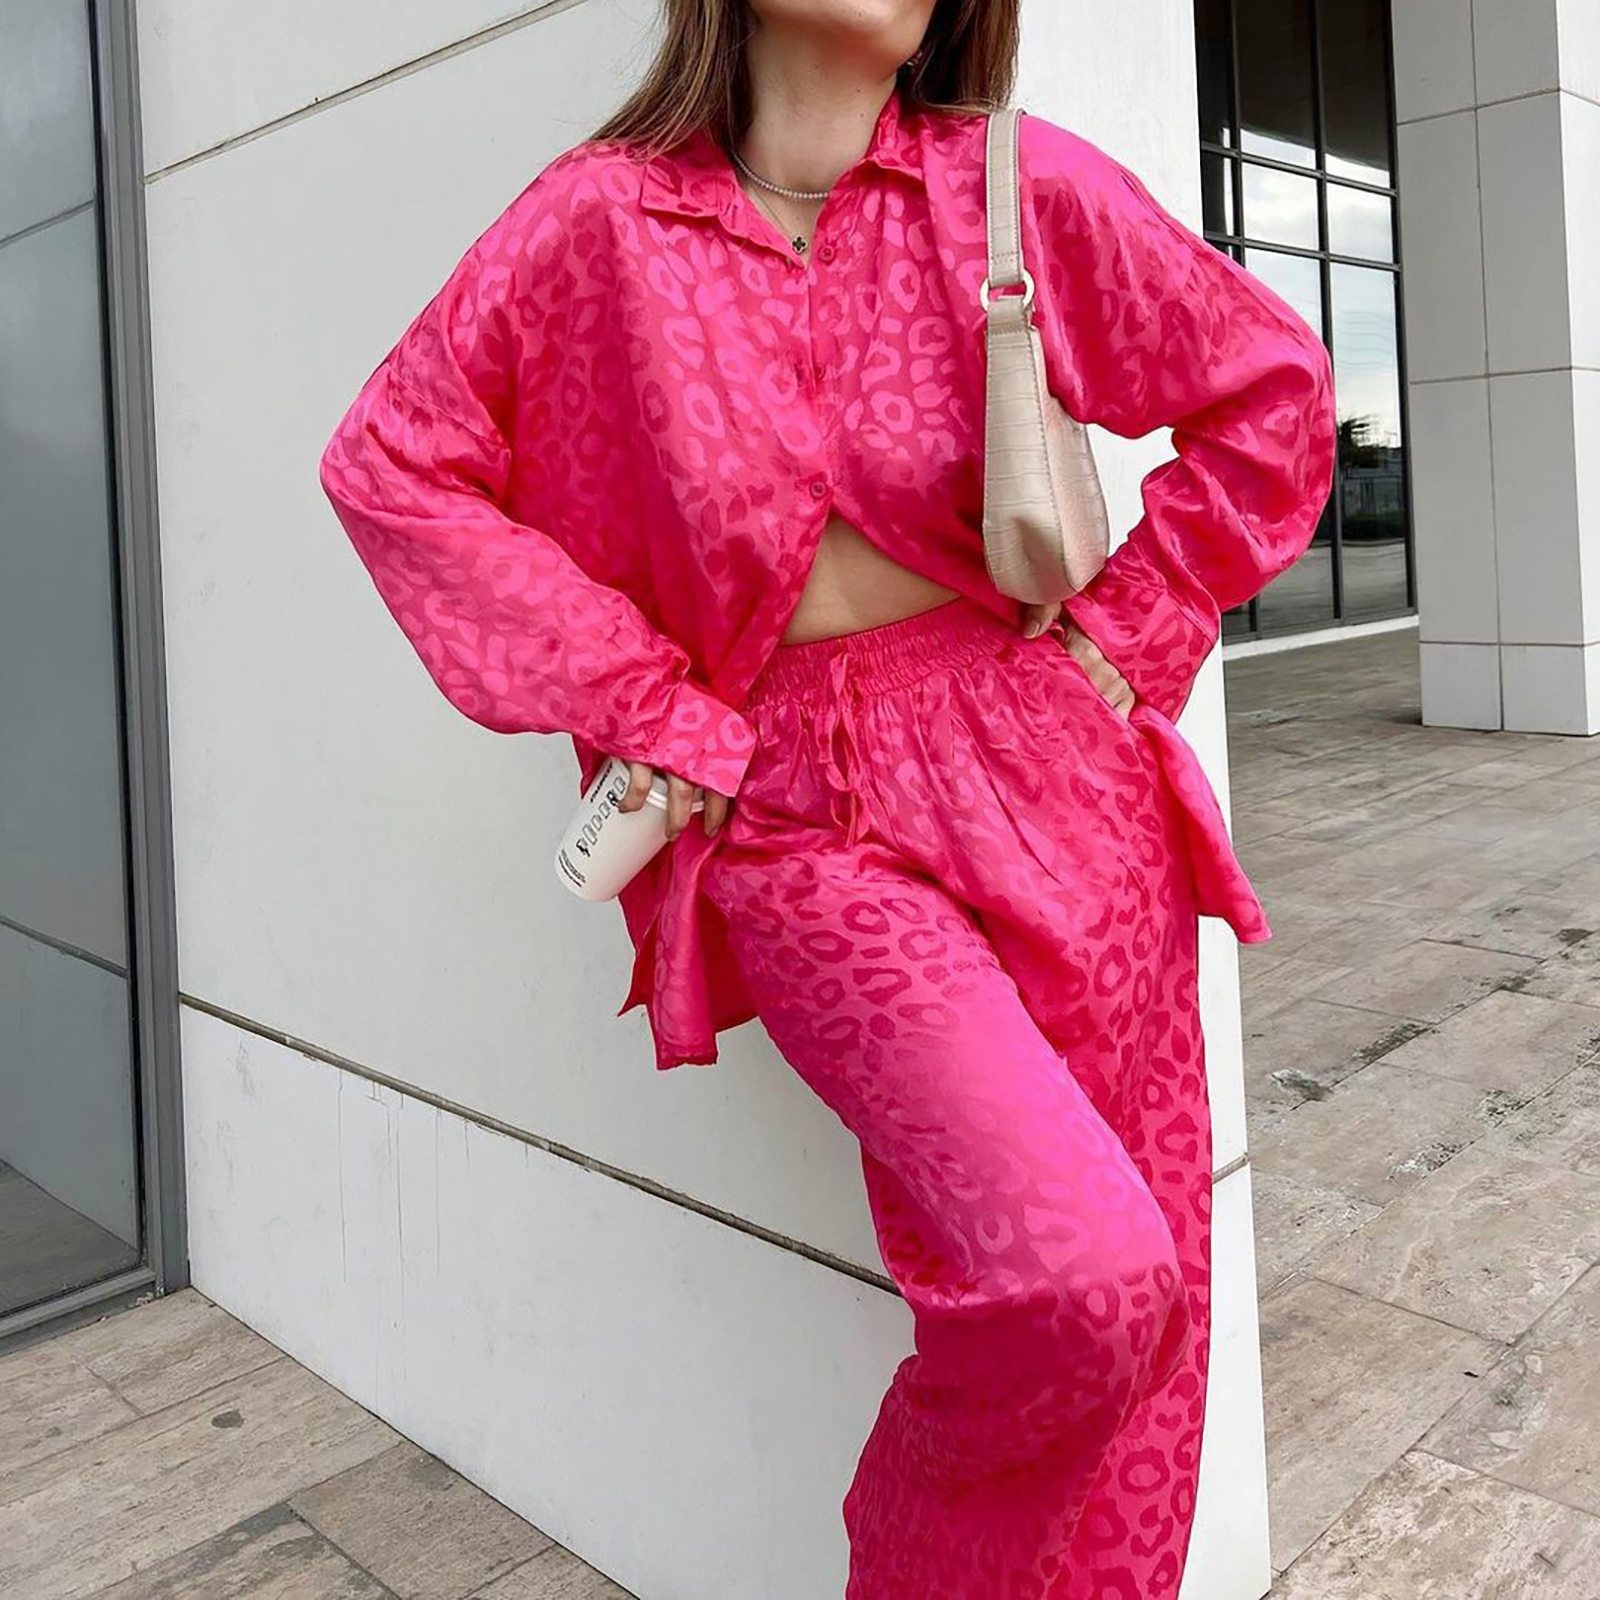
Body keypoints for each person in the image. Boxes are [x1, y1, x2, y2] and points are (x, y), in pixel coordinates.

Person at [316, 2, 1337, 1593]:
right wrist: (653, 711)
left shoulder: (1013, 188)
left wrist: (1127, 639)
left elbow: (1271, 391)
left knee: (1150, 1312)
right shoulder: (599, 223)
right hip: (790, 807)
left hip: (1058, 771)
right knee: (1077, 1279)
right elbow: (395, 465)